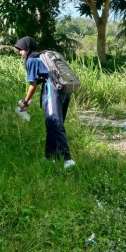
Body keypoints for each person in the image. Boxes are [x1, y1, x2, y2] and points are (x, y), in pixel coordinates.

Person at [14, 36, 75, 169]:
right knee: (52, 123)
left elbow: (33, 86)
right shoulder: (42, 56)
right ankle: (50, 156)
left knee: (54, 122)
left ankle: (67, 159)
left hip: (53, 88)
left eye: (21, 49)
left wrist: (25, 102)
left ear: (27, 48)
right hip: (65, 88)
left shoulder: (31, 60)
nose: (20, 52)